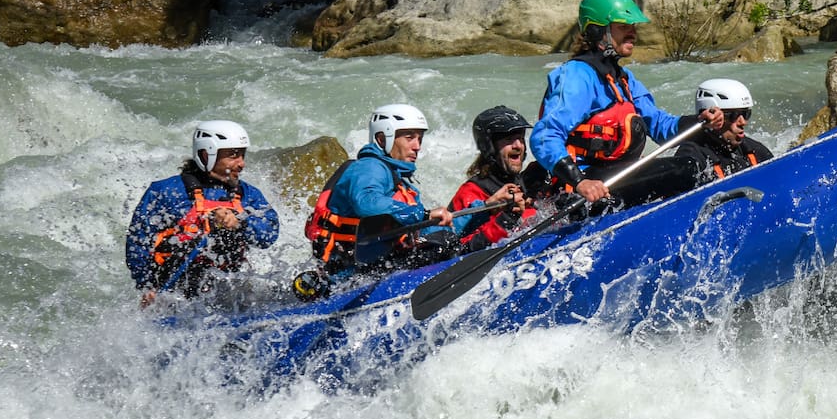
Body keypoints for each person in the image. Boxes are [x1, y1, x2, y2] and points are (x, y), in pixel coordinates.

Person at [527, 0, 724, 208]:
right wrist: (580, 182)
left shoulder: (623, 80)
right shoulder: (577, 76)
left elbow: (658, 125)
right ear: (597, 32)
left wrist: (699, 122)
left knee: (699, 159)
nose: (632, 33)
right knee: (684, 169)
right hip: (582, 187)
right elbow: (544, 136)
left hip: (614, 177)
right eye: (623, 27)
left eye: (632, 27)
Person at [126, 120, 280, 306]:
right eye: (233, 156)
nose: (242, 164)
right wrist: (147, 286)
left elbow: (270, 234)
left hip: (227, 293)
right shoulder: (166, 191)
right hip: (174, 292)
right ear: (207, 154)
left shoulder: (248, 194)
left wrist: (240, 224)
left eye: (242, 155)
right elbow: (138, 242)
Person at [304, 103, 456, 285]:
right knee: (443, 246)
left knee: (445, 238)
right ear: (383, 139)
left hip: (377, 264)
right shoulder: (370, 167)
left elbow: (424, 229)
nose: (417, 147)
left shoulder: (398, 179)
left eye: (419, 139)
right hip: (349, 273)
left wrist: (485, 208)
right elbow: (367, 202)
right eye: (410, 138)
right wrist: (423, 214)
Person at [449, 106, 536, 253]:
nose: (518, 146)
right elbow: (459, 251)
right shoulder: (471, 192)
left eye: (521, 139)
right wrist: (506, 220)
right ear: (489, 147)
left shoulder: (525, 181)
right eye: (509, 140)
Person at [675, 78, 774, 184]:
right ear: (709, 118)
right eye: (733, 115)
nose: (743, 122)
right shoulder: (691, 158)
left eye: (746, 114)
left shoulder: (753, 150)